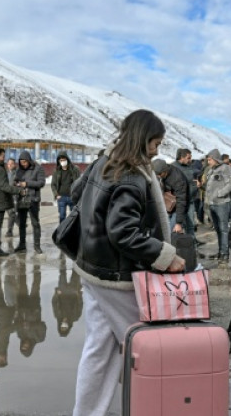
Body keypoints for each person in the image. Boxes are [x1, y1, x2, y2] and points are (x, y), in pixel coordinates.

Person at [71, 109, 185, 416]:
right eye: (155, 143)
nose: (157, 151)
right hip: (117, 276)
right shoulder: (132, 174)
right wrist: (166, 256)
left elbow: (76, 192)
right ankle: (154, 407)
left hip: (92, 268)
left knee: (99, 350)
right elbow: (123, 232)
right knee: (146, 347)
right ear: (142, 139)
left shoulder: (103, 162)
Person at [203, 149, 231, 262]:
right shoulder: (211, 170)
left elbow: (230, 184)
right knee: (217, 229)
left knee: (223, 229)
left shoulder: (226, 168)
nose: (208, 161)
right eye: (208, 159)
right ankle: (220, 250)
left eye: (210, 159)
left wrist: (219, 194)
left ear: (216, 159)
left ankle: (225, 254)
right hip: (211, 204)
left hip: (221, 204)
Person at [13, 150, 46, 254]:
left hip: (33, 200)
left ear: (29, 160)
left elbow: (41, 183)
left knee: (35, 223)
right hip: (21, 200)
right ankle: (22, 244)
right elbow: (15, 180)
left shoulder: (38, 168)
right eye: (21, 162)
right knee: (21, 224)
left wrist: (27, 183)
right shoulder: (19, 170)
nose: (23, 164)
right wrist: (16, 183)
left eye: (25, 162)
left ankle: (37, 246)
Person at [153, 158, 189, 235]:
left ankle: (189, 245)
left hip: (178, 208)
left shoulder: (178, 179)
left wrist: (178, 223)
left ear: (165, 171)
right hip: (167, 207)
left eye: (159, 174)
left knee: (172, 232)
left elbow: (181, 200)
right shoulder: (159, 175)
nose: (157, 176)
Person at [173, 148, 198, 234]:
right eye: (188, 158)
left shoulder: (189, 167)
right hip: (178, 203)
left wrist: (196, 186)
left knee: (190, 225)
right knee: (178, 226)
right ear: (182, 157)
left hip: (190, 202)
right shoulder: (173, 168)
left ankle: (192, 246)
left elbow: (191, 182)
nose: (190, 160)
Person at [51, 151, 81, 223]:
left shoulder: (74, 169)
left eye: (64, 160)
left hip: (72, 197)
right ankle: (61, 232)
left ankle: (74, 232)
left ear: (67, 160)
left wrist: (77, 194)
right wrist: (56, 194)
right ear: (59, 161)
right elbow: (53, 184)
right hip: (61, 197)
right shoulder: (57, 171)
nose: (62, 162)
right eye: (61, 160)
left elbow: (79, 182)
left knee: (74, 216)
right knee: (62, 216)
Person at [5, 157, 18, 239]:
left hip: (14, 196)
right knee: (11, 214)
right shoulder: (5, 173)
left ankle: (9, 231)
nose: (9, 165)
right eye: (8, 164)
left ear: (14, 164)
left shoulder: (17, 173)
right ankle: (20, 223)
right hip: (6, 196)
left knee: (11, 214)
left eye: (11, 164)